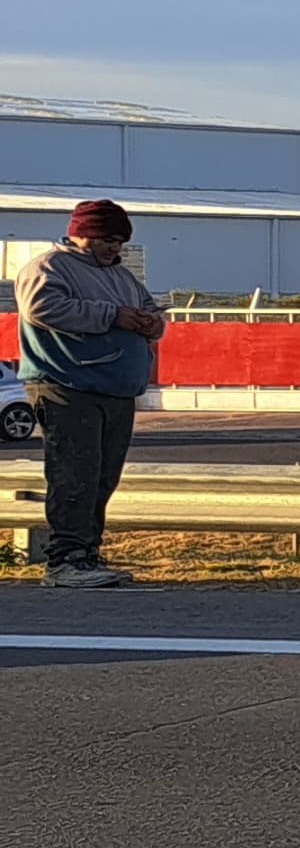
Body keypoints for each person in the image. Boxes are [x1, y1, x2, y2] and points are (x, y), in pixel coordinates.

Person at [18, 200, 163, 589]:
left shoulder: (123, 277)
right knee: (75, 474)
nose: (114, 247)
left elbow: (150, 310)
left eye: (119, 240)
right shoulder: (49, 267)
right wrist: (112, 315)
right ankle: (66, 559)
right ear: (81, 232)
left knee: (102, 477)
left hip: (116, 389)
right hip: (67, 386)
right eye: (107, 238)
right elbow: (42, 308)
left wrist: (152, 323)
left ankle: (88, 552)